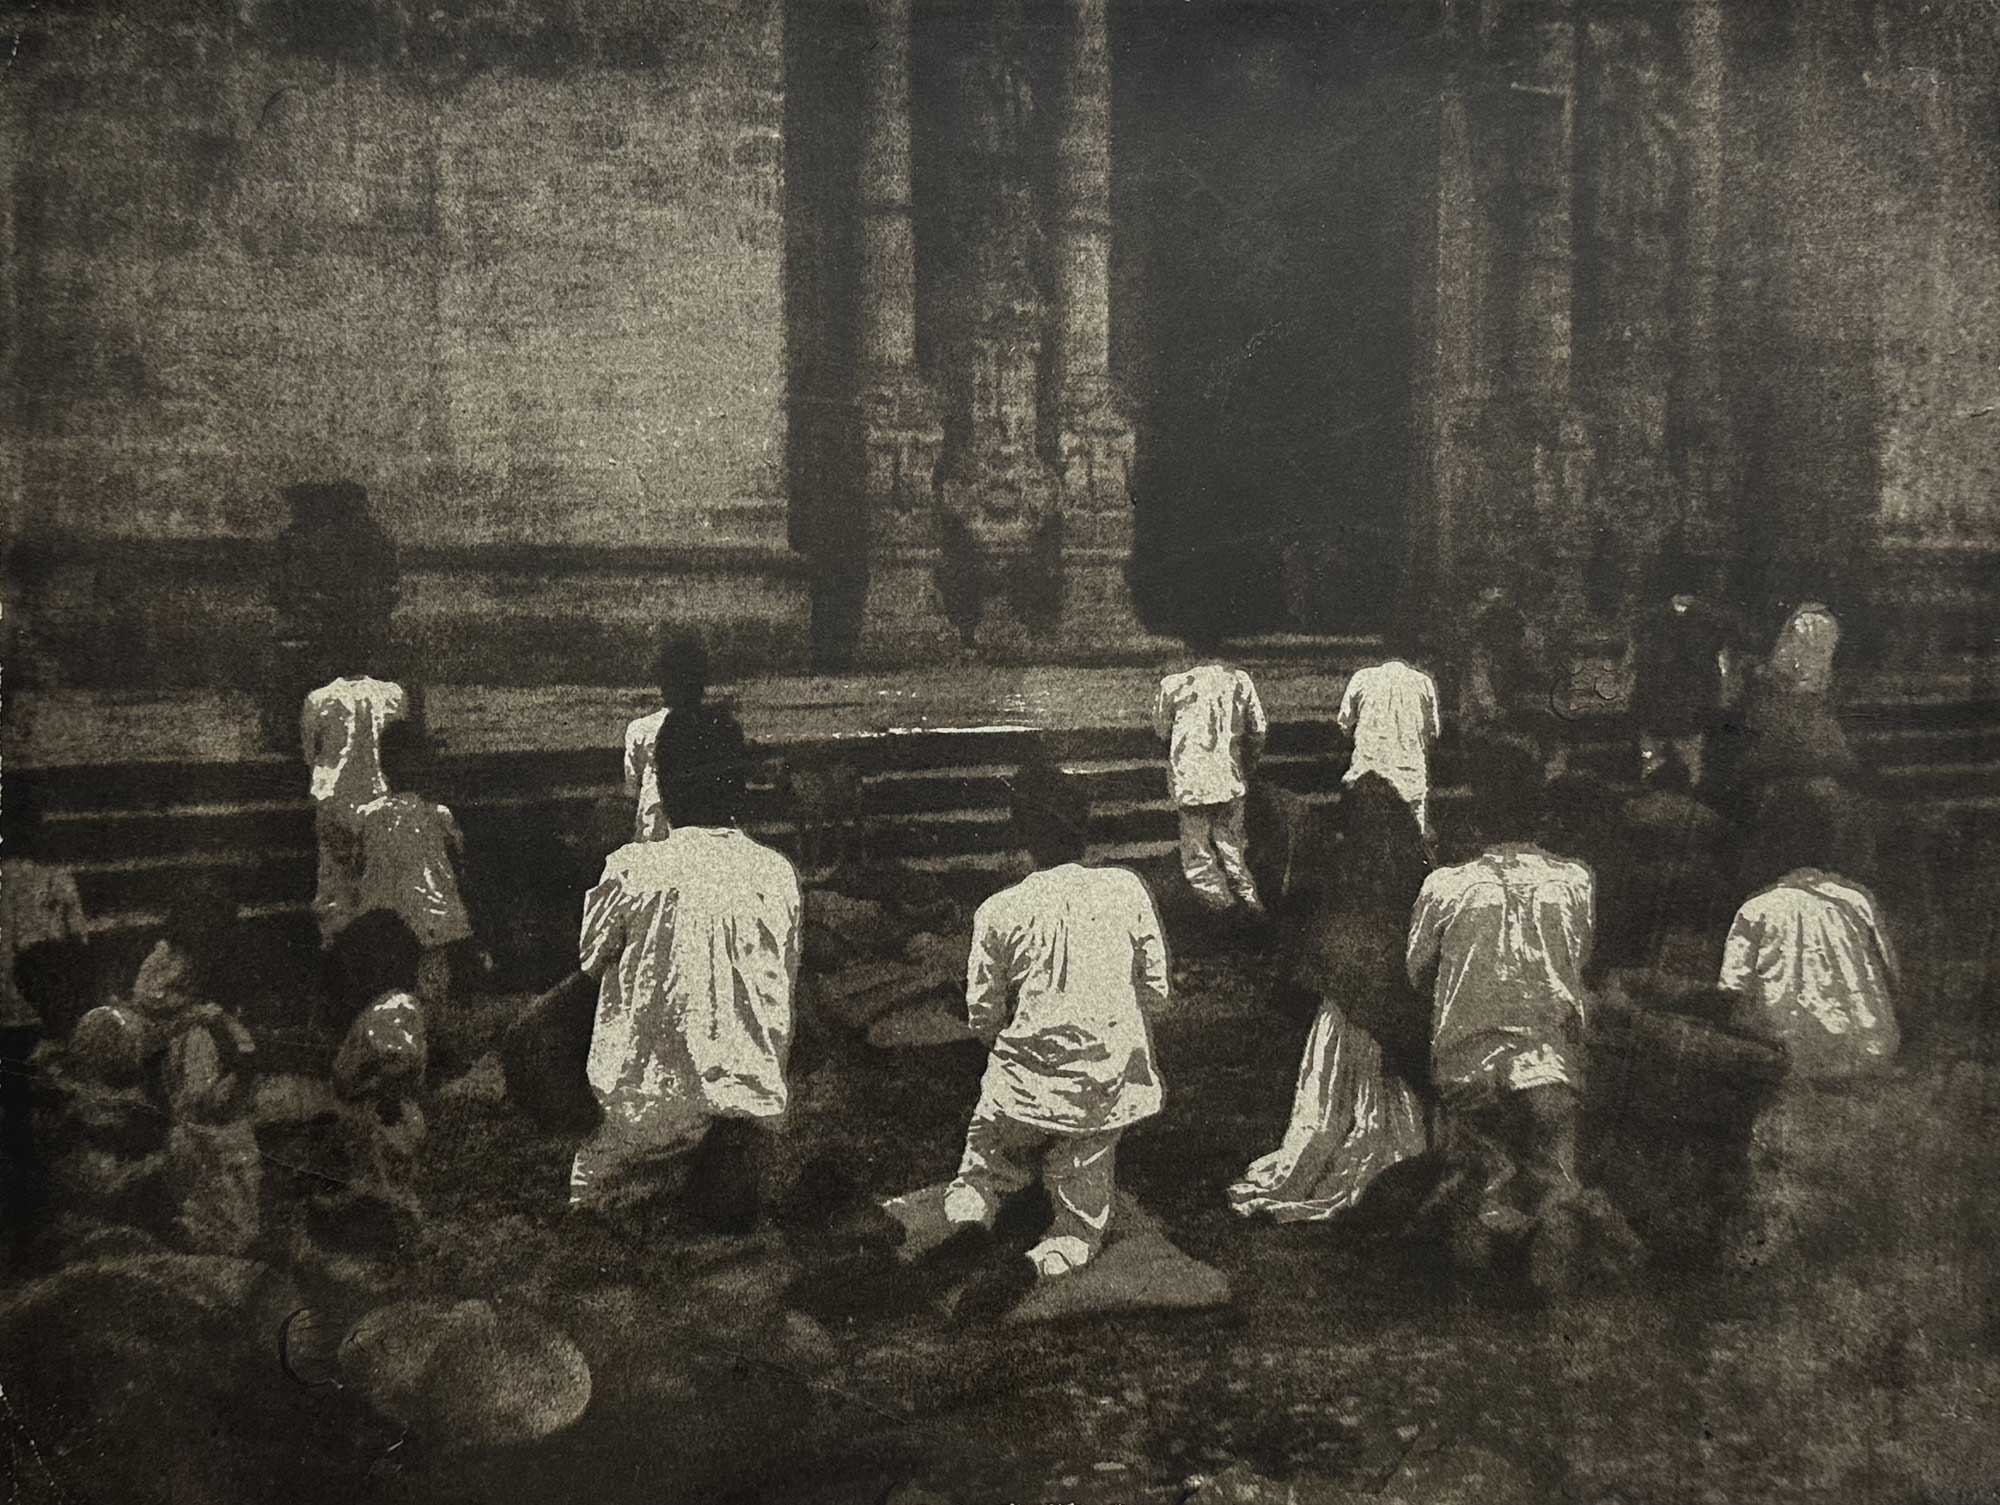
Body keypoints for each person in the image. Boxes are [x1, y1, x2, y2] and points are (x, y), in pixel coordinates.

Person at [928, 762, 1169, 1311]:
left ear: (1023, 838)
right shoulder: (1126, 889)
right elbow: (1156, 994)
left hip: (1017, 1097)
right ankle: (1037, 1263)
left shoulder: (998, 909)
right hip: (1099, 1099)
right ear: (1084, 831)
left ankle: (969, 1225)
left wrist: (1030, 1053)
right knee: (1079, 1230)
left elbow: (982, 1019)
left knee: (979, 1172)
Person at [1405, 738, 1633, 1295]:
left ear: (1478, 815)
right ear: (1543, 812)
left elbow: (1415, 972)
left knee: (1475, 1165)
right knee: (1553, 1166)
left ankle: (1477, 1228)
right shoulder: (1576, 880)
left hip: (1466, 1066)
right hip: (1549, 1066)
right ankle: (1551, 1237)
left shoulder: (1445, 886)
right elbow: (1579, 959)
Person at [570, 704, 800, 1234]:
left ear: (663, 787)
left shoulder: (630, 868)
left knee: (592, 1189)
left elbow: (588, 965)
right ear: (741, 789)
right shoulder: (777, 875)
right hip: (749, 1123)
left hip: (646, 1122)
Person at [1229, 773, 1431, 1223]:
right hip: (1386, 1004)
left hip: (1344, 1010)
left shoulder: (1339, 870)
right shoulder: (1416, 875)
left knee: (1329, 1105)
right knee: (1382, 1106)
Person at [1719, 779, 1899, 1079]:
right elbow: (1891, 972)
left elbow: (1731, 987)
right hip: (1863, 1048)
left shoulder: (1755, 909)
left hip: (1783, 1050)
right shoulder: (1858, 898)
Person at [1, 778, 90, 1241]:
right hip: (40, 1010)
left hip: (24, 1010)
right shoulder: (55, 876)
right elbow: (79, 943)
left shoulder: (49, 877)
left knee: (20, 1116)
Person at [347, 721, 475, 1025]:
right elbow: (460, 866)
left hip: (385, 925)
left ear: (383, 768)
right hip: (435, 927)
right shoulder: (439, 815)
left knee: (394, 994)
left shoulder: (368, 816)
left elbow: (358, 867)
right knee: (430, 989)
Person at [1152, 634, 1268, 914]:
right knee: (1232, 848)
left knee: (1198, 854)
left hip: (1192, 780)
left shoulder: (1174, 685)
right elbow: (1259, 730)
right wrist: (1247, 764)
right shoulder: (1240, 681)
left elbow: (1161, 730)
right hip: (1229, 777)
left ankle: (1223, 910)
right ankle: (1250, 903)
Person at [302, 647, 411, 945]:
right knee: (378, 881)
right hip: (379, 796)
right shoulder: (393, 695)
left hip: (336, 800)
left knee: (337, 888)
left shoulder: (318, 700)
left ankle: (340, 951)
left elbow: (311, 755)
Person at [1623, 554, 1758, 789]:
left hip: (1663, 703)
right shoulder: (1717, 620)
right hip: (1689, 705)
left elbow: (1634, 662)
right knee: (1689, 763)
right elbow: (1724, 664)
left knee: (1655, 761)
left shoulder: (1647, 618)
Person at [1335, 639, 1442, 841]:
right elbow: (1433, 731)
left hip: (1366, 777)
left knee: (1364, 840)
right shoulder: (1422, 682)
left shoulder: (1362, 678)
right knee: (1413, 843)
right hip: (1409, 779)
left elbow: (1344, 724)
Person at [624, 632, 711, 844]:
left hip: (660, 827)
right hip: (686, 827)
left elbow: (632, 787)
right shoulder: (715, 728)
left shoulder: (641, 729)